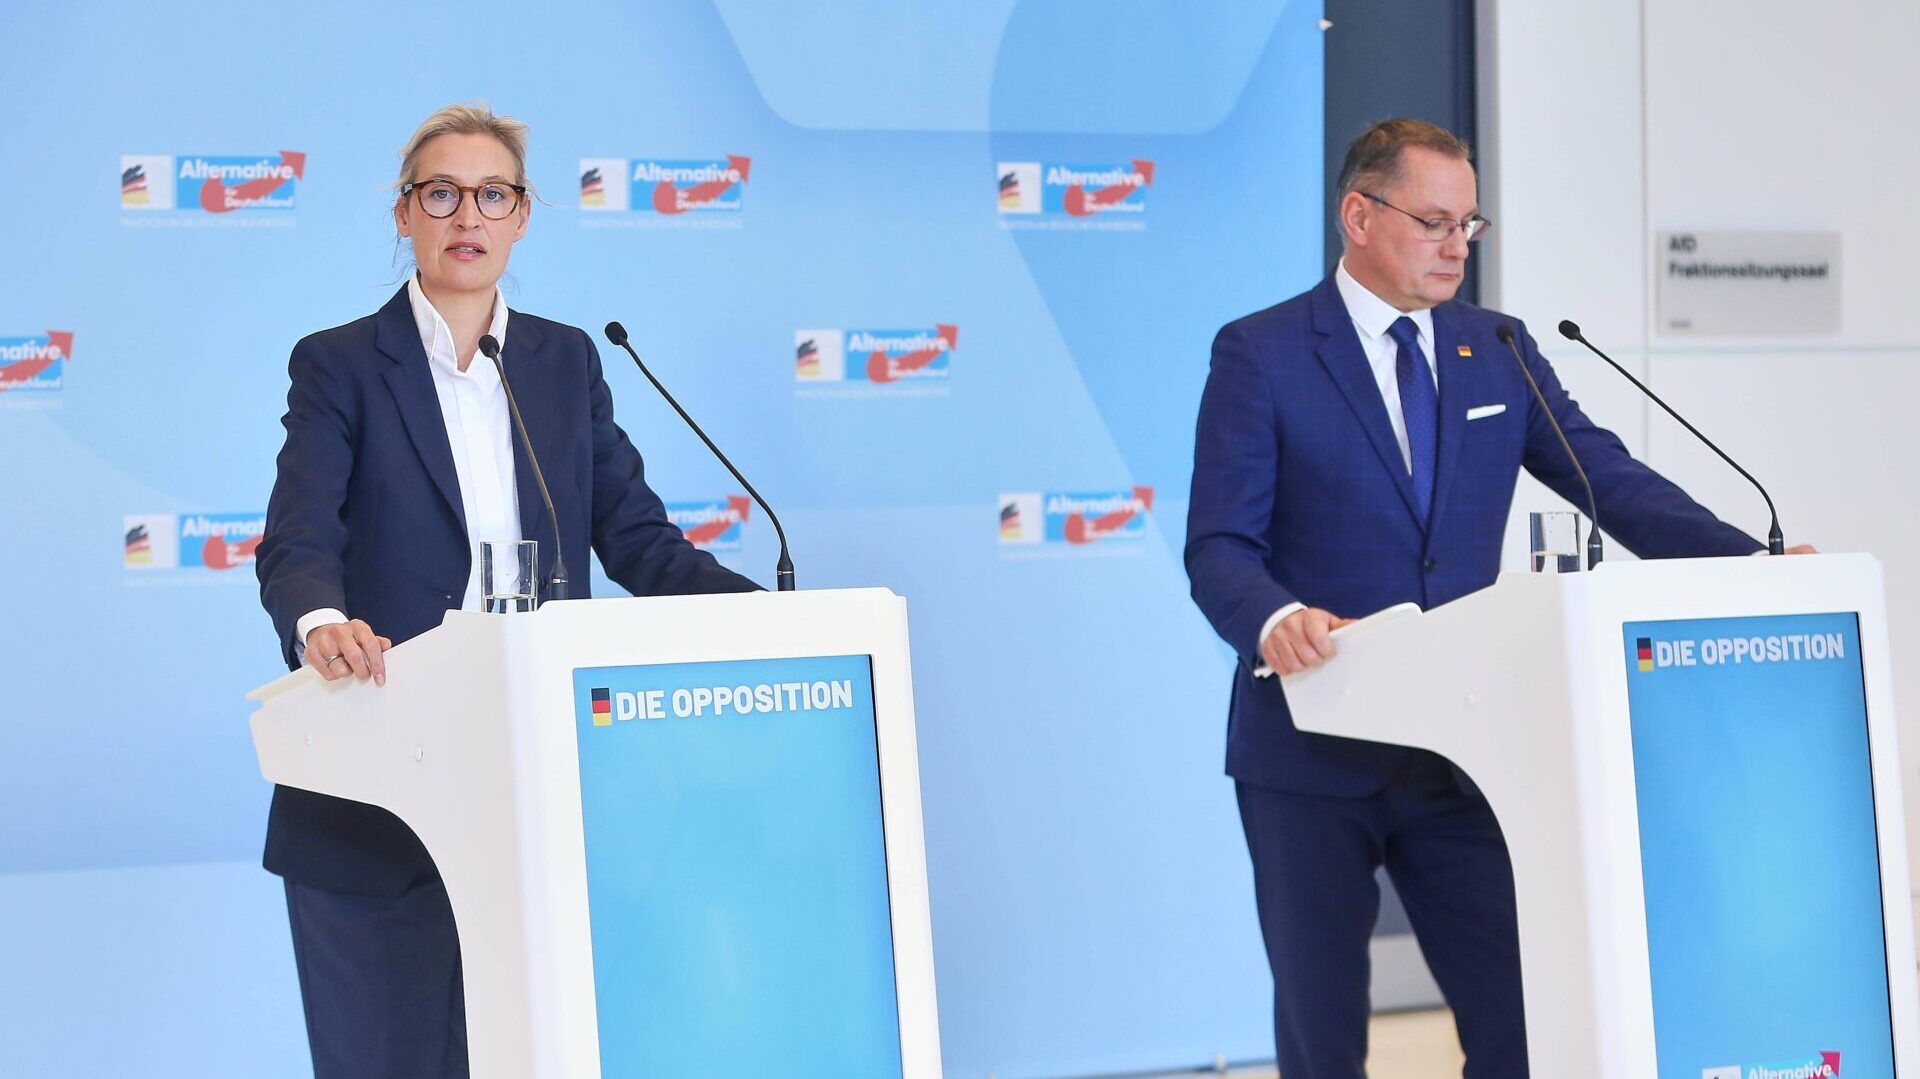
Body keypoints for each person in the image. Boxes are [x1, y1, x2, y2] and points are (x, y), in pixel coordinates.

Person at [1184, 118, 1812, 1077]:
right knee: (1323, 1038)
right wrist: (1275, 618)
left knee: (1520, 1024)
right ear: (1358, 215)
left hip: (1459, 752)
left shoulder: (1499, 348)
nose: (1456, 246)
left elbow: (1613, 482)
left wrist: (1749, 565)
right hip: (1309, 751)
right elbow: (1220, 545)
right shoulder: (1262, 353)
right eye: (1434, 221)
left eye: (1468, 225)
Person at [254, 102, 756, 1078]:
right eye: (441, 193)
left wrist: (770, 615)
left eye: (492, 194)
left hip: (534, 794)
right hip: (377, 798)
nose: (467, 216)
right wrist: (322, 621)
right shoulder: (339, 364)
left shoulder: (564, 362)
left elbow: (638, 538)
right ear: (404, 212)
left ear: (523, 215)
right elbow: (300, 537)